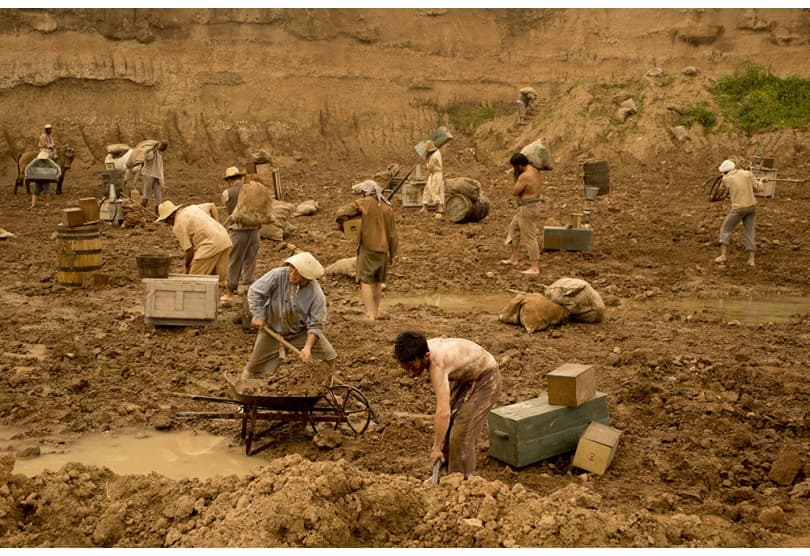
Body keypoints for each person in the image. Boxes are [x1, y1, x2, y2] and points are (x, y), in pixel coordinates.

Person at [393, 331, 501, 479]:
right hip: (465, 377)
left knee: (460, 434)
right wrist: (439, 442)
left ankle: (461, 480)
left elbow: (443, 412)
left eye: (413, 367)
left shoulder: (437, 364)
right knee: (447, 428)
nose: (410, 374)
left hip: (486, 378)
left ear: (426, 356)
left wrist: (436, 447)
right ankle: (444, 474)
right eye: (406, 369)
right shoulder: (420, 347)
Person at [242, 252, 337, 381]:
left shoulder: (315, 293)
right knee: (253, 366)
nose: (292, 272)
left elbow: (316, 324)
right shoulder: (277, 275)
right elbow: (255, 291)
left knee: (329, 356)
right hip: (272, 329)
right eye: (292, 267)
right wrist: (258, 315)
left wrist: (307, 347)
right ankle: (245, 387)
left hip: (300, 332)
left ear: (307, 277)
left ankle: (327, 388)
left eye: (298, 271)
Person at [335, 180, 398, 320]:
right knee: (377, 282)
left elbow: (341, 212)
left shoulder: (363, 203)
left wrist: (349, 223)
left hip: (368, 248)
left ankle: (369, 315)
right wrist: (392, 254)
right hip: (384, 250)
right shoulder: (387, 207)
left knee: (365, 281)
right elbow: (393, 235)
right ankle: (375, 312)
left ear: (365, 192)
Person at [155, 200, 232, 293]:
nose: (167, 224)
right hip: (224, 238)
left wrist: (187, 265)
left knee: (194, 280)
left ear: (170, 217)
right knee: (218, 280)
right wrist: (217, 224)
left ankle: (196, 305)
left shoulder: (178, 225)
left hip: (209, 245)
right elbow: (212, 206)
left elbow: (189, 250)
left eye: (166, 221)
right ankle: (214, 303)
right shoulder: (192, 208)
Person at [714, 159, 766, 267]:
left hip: (738, 209)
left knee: (725, 229)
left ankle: (723, 255)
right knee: (749, 232)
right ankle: (751, 260)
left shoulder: (726, 178)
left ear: (724, 171)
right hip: (751, 207)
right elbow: (758, 188)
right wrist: (761, 181)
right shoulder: (748, 174)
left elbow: (721, 191)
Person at [221, 166, 261, 303]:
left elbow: (229, 209)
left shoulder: (227, 193)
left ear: (229, 180)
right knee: (250, 261)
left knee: (234, 262)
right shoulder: (252, 190)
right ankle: (248, 293)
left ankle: (230, 293)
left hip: (238, 231)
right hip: (255, 230)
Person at [500, 152, 542, 275]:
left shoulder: (525, 176)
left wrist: (515, 177)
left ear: (518, 165)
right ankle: (514, 258)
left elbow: (515, 191)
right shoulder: (535, 170)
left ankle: (535, 267)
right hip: (529, 206)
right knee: (514, 229)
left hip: (527, 208)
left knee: (529, 237)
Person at [142, 140, 168, 214]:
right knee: (146, 195)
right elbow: (148, 158)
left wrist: (162, 179)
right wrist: (154, 149)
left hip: (157, 176)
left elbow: (160, 167)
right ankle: (140, 213)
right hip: (149, 175)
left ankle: (158, 215)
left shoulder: (159, 154)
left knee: (158, 197)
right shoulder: (150, 152)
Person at [421, 140, 444, 218]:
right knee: (427, 189)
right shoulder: (437, 152)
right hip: (434, 173)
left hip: (436, 174)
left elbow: (430, 168)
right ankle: (424, 207)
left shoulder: (434, 156)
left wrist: (426, 163)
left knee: (434, 190)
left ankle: (439, 208)